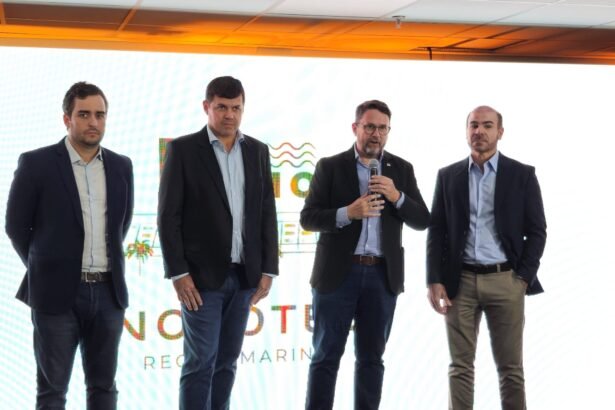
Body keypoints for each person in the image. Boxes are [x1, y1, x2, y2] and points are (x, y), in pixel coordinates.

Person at [5, 81, 134, 409]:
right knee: (52, 391)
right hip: (55, 295)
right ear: (67, 119)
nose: (94, 122)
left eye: (100, 115)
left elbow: (120, 225)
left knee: (104, 387)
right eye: (84, 114)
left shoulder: (121, 166)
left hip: (108, 293)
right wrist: (47, 267)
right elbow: (16, 226)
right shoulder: (37, 164)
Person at [157, 76, 279, 410]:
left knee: (227, 362)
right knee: (201, 363)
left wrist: (268, 269)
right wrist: (179, 273)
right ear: (206, 107)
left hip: (245, 277)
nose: (229, 115)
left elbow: (266, 212)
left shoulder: (257, 151)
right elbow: (168, 217)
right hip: (200, 280)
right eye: (222, 107)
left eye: (236, 108)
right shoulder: (183, 150)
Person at [301, 99, 430, 409]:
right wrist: (348, 212)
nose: (376, 134)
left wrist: (397, 196)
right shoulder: (330, 167)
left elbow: (422, 219)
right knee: (325, 357)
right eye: (370, 127)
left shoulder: (401, 169)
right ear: (355, 128)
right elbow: (308, 218)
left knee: (372, 359)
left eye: (382, 128)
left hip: (381, 276)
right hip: (337, 276)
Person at [426, 105, 547, 410]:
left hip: (506, 280)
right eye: (474, 125)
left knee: (511, 369)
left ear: (500, 132)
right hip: (460, 283)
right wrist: (433, 279)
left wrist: (522, 278)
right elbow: (437, 230)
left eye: (487, 125)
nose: (479, 131)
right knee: (459, 367)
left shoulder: (522, 175)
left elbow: (537, 231)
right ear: (467, 130)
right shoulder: (448, 176)